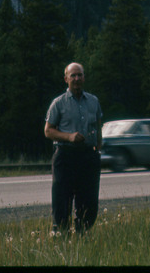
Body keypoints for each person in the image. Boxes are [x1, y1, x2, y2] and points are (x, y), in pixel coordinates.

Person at [44, 62, 103, 234]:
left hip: (88, 157)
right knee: (62, 198)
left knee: (89, 198)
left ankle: (83, 231)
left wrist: (98, 146)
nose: (76, 79)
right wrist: (69, 137)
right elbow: (48, 131)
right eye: (73, 75)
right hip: (65, 155)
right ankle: (60, 233)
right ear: (66, 79)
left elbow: (98, 124)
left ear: (84, 77)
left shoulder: (93, 101)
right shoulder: (58, 103)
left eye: (79, 75)